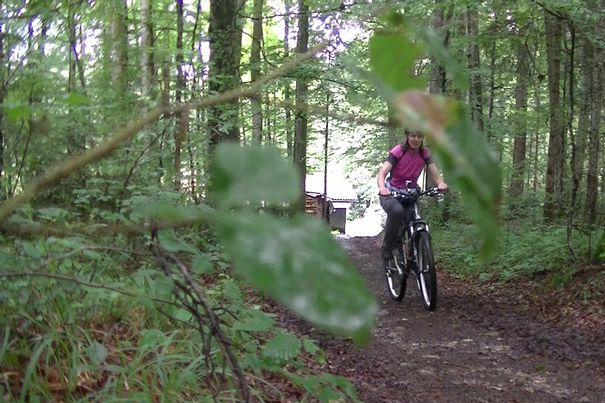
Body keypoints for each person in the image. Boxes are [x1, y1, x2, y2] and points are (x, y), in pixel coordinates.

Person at [376, 130, 448, 270]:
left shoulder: (424, 153)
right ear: (407, 137)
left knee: (414, 221)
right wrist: (382, 188)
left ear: (422, 138)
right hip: (391, 193)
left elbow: (433, 171)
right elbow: (382, 173)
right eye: (413, 136)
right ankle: (387, 248)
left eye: (419, 136)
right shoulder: (399, 151)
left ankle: (413, 256)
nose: (416, 139)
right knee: (397, 211)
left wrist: (440, 183)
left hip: (410, 195)